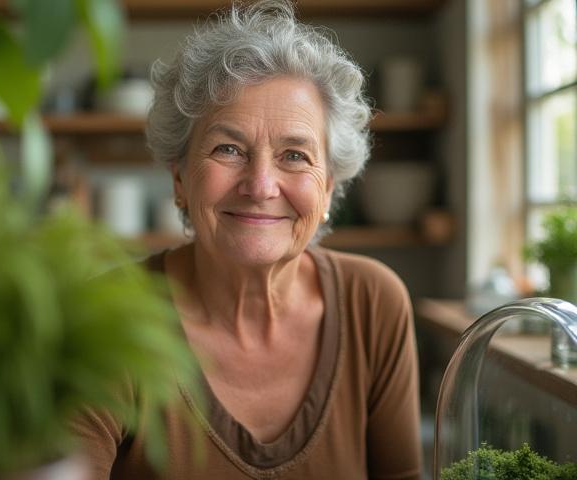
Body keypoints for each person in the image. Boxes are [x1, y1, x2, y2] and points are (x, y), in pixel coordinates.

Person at [72, 1, 422, 478]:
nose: (260, 186)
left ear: (328, 191)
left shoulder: (374, 303)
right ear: (179, 179)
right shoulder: (107, 316)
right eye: (228, 148)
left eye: (295, 155)